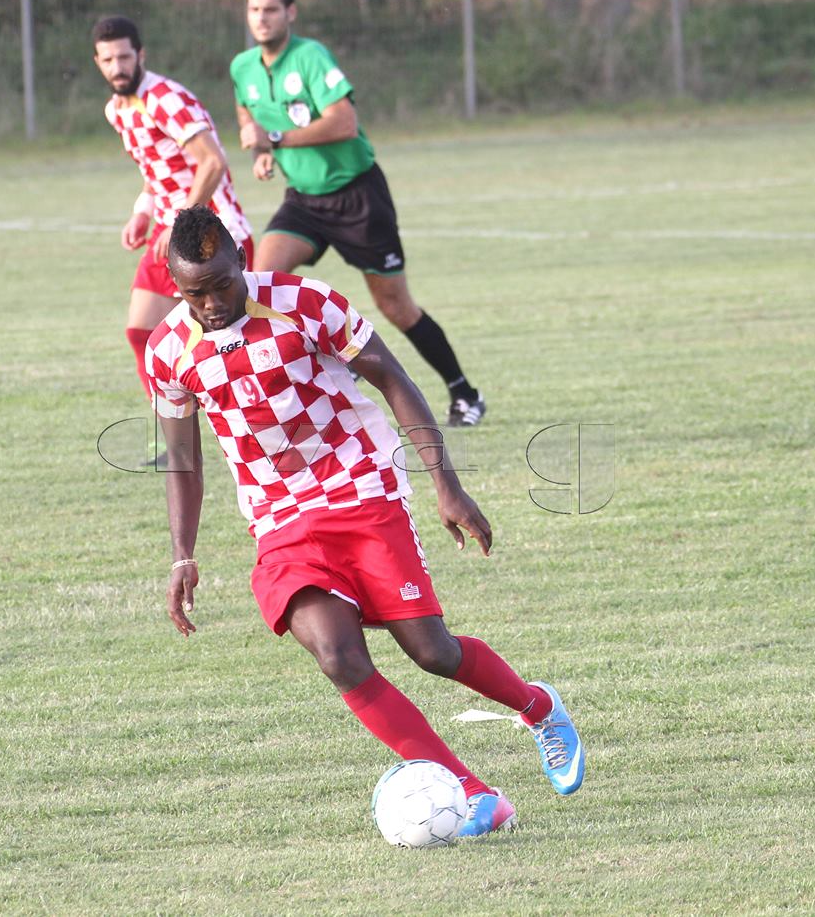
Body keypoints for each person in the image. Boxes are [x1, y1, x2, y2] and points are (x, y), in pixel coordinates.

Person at [146, 205, 584, 837]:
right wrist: (182, 555)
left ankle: (538, 707)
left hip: (361, 484)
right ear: (176, 285)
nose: (211, 304)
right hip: (279, 516)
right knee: (337, 655)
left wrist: (446, 485)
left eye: (221, 285)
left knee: (432, 652)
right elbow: (182, 460)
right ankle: (474, 794)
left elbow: (392, 378)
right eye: (195, 294)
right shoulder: (167, 352)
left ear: (242, 261)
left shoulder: (307, 303)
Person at [230, 0, 486, 428]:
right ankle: (312, 384)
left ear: (290, 12)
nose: (262, 18)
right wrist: (260, 151)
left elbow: (344, 123)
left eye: (271, 9)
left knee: (396, 306)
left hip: (358, 196)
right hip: (303, 200)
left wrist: (275, 138)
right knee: (257, 284)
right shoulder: (242, 66)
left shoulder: (310, 57)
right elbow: (247, 113)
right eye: (254, 9)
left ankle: (464, 393)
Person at [92, 15, 254, 403]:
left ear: (141, 55)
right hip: (168, 231)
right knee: (142, 334)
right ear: (98, 62)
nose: (118, 67)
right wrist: (142, 211)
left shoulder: (165, 99)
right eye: (108, 60)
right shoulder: (116, 110)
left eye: (124, 57)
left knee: (236, 342)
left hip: (212, 231)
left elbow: (212, 162)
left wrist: (179, 222)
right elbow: (157, 166)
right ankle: (175, 428)